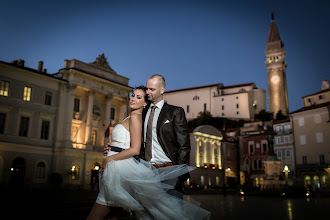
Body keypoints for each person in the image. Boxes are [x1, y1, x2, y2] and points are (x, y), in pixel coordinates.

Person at [88, 85, 210, 220]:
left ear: (145, 103)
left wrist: (109, 159)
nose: (133, 99)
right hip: (118, 167)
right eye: (133, 95)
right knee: (114, 215)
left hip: (120, 170)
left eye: (138, 97)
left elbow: (135, 148)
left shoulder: (135, 116)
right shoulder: (132, 116)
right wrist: (112, 148)